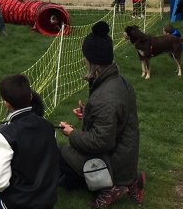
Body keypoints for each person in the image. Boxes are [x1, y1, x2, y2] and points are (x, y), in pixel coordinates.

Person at [59, 21, 143, 208]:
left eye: (85, 58)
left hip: (114, 162)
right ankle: (121, 180)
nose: (84, 60)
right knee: (67, 168)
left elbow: (100, 142)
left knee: (58, 153)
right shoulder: (119, 81)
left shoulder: (105, 97)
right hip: (124, 154)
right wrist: (87, 113)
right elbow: (114, 120)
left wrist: (72, 133)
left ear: (93, 62)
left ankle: (111, 187)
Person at [0, 74, 60, 209]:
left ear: (6, 103)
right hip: (47, 200)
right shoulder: (48, 126)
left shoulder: (4, 137)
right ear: (30, 97)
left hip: (20, 203)